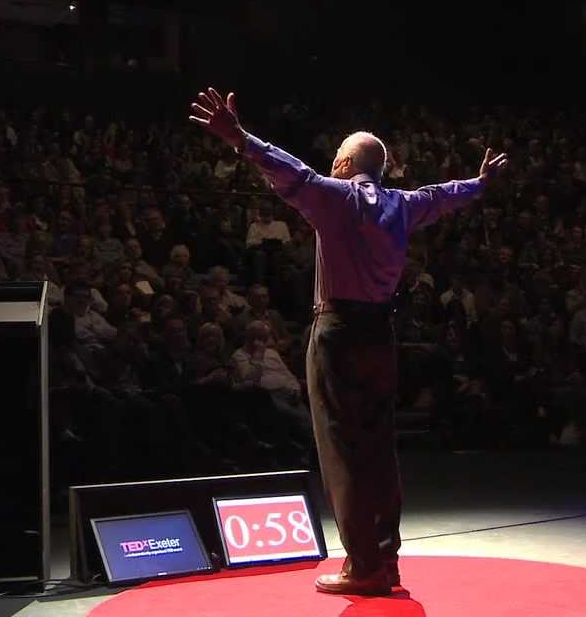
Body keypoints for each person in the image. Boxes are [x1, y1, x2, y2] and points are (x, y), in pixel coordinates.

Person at [190, 87, 506, 596]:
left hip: (337, 333)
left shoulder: (334, 196)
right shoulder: (404, 205)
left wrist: (239, 138)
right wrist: (480, 182)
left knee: (340, 447)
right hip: (380, 334)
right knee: (379, 447)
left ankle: (362, 568)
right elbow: (446, 195)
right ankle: (386, 558)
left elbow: (289, 170)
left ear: (343, 161)